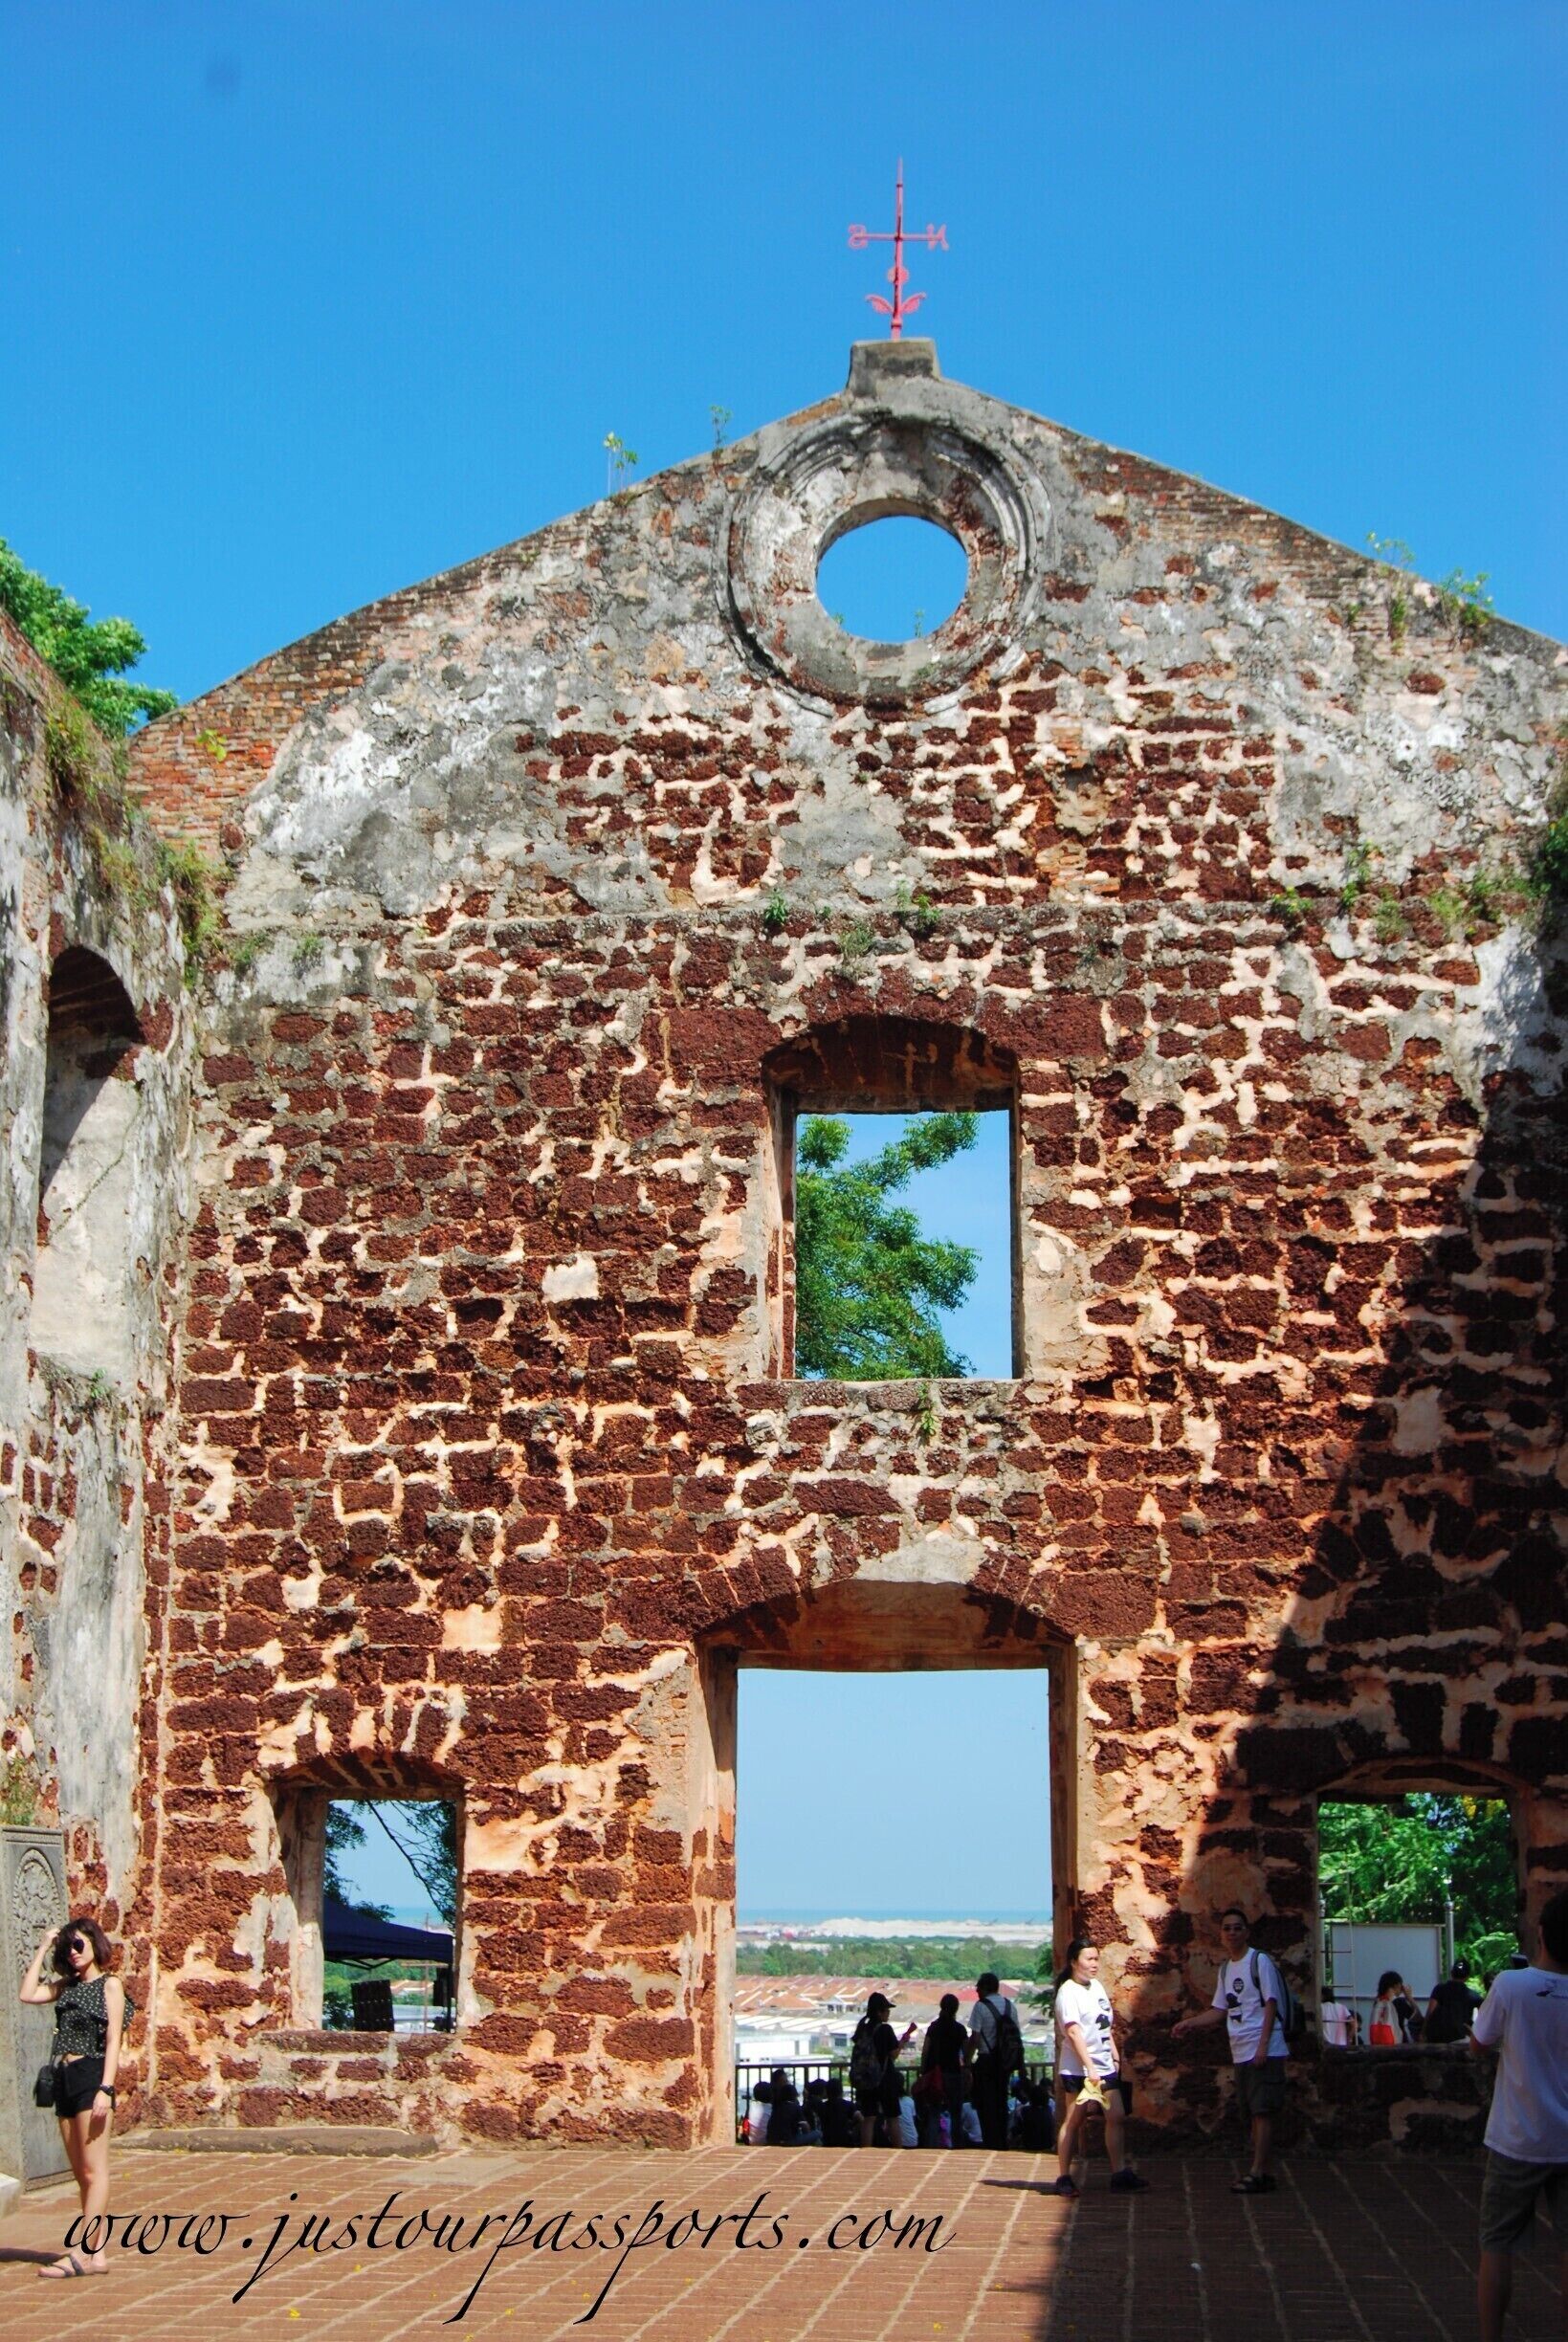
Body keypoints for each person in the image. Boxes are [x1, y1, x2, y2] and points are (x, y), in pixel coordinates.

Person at [1469, 1887, 1568, 2342]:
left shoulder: (1512, 1985)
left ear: (1541, 1932)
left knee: (1497, 2245)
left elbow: (1479, 2042)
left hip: (1516, 2137)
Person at [18, 1915, 127, 2279]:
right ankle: (97, 2254)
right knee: (82, 2173)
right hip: (65, 2078)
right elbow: (28, 1994)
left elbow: (114, 2039)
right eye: (68, 1948)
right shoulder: (67, 1987)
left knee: (96, 2170)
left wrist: (106, 2088)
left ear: (95, 1943)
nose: (74, 1952)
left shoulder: (110, 1985)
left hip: (92, 2075)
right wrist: (43, 1947)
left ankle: (81, 2252)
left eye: (79, 1944)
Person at [1172, 1906, 1289, 2194]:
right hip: (1241, 2049)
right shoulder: (1226, 1969)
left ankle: (1257, 2172)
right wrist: (1190, 2023)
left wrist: (1263, 2045)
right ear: (1221, 1935)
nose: (1232, 1933)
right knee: (1251, 2112)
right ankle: (1263, 2171)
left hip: (1262, 2047)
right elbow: (1219, 2009)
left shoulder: (1259, 1961)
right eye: (1227, 1928)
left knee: (1262, 2110)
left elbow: (1271, 2003)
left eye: (1237, 1928)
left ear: (1246, 1932)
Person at [1049, 1937, 1147, 2196]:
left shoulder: (1096, 1987)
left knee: (1116, 2116)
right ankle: (1064, 2176)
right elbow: (1073, 2032)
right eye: (1089, 1959)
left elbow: (1104, 2024)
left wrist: (1113, 2053)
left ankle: (1119, 2172)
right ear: (1074, 1962)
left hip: (1104, 2065)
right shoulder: (1068, 1992)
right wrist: (1089, 2067)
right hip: (1079, 2069)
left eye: (1096, 1959)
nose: (1094, 1964)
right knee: (1074, 2120)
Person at [850, 1991, 915, 2148]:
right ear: (879, 2012)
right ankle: (897, 2151)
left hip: (866, 2079)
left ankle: (866, 2151)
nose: (888, 2013)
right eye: (886, 2010)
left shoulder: (863, 2028)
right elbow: (893, 2054)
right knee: (892, 2117)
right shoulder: (885, 2029)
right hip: (885, 2079)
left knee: (869, 2118)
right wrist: (903, 2042)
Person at [969, 1971, 1022, 2149]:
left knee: (985, 2102)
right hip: (1005, 2061)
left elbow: (975, 2038)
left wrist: (967, 2061)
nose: (976, 1990)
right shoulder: (1010, 2006)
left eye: (978, 1987)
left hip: (986, 2059)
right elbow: (1016, 2035)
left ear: (985, 1988)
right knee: (1001, 2099)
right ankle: (1002, 2139)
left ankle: (990, 2140)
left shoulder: (980, 2007)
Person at [918, 1992, 971, 2147]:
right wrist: (967, 2070)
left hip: (935, 2074)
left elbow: (925, 2051)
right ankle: (957, 2146)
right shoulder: (960, 2029)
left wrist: (923, 2071)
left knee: (934, 2112)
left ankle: (932, 2146)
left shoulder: (933, 2027)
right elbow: (966, 2053)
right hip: (954, 2073)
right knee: (956, 2114)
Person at [1425, 1957, 1480, 2045]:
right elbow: (1484, 2017)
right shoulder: (1473, 1995)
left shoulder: (1439, 1989)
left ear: (1452, 1973)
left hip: (1437, 2037)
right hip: (1460, 2037)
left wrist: (1423, 2032)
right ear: (1467, 1977)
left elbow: (1430, 2012)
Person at [1369, 1971, 1420, 2045]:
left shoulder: (1377, 2003)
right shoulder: (1399, 2002)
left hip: (1378, 2045)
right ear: (1397, 1985)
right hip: (1397, 2044)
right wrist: (1409, 1997)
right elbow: (1418, 2018)